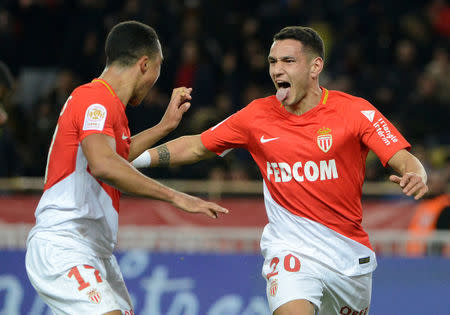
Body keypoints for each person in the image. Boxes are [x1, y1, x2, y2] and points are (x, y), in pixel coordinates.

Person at [134, 26, 429, 315]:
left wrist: (417, 174)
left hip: (348, 257)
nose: (277, 70)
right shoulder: (256, 116)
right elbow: (196, 146)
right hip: (290, 252)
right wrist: (132, 160)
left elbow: (402, 158)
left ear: (315, 67)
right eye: (273, 62)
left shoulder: (354, 111)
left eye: (288, 61)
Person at [25, 21, 228, 315]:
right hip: (65, 245)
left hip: (95, 252)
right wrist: (177, 197)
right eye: (159, 68)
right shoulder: (95, 99)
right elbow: (104, 164)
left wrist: (164, 126)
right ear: (145, 64)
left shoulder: (109, 109)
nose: (157, 80)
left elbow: (119, 153)